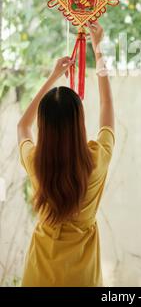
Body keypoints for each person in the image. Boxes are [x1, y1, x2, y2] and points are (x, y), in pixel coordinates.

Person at [17, 22, 114, 287]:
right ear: (80, 123)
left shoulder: (36, 163)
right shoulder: (96, 160)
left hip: (39, 275)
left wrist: (52, 78)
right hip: (82, 278)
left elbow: (23, 126)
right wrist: (98, 49)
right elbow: (106, 105)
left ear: (44, 128)